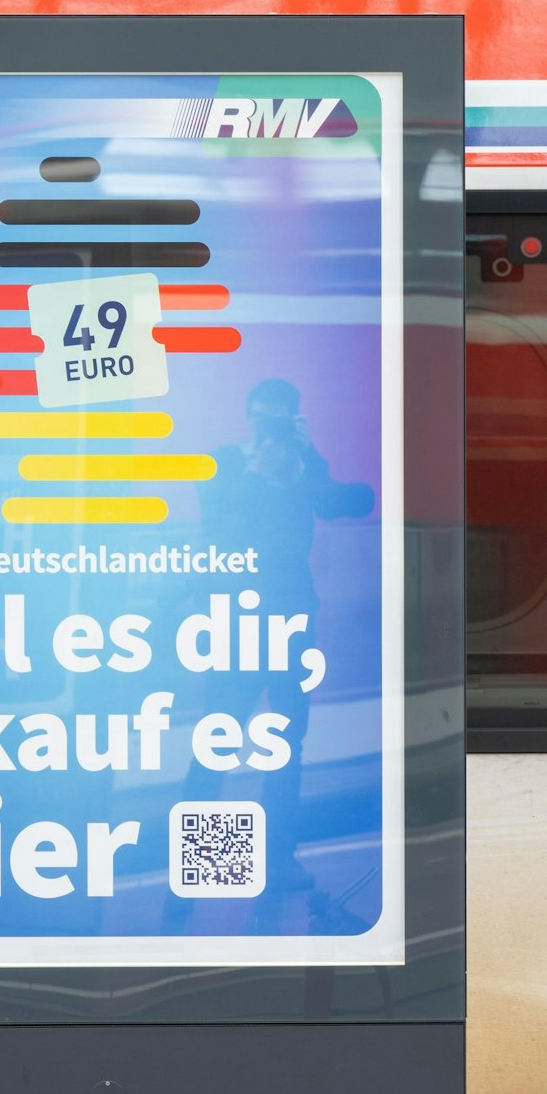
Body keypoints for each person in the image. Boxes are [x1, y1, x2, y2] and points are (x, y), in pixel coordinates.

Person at [196, 377, 374, 892]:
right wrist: (259, 474)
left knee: (285, 742)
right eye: (263, 419)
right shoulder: (227, 465)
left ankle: (276, 860)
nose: (270, 429)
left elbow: (346, 502)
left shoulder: (303, 467)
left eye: (281, 421)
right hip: (235, 623)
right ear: (249, 416)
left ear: (294, 420)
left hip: (293, 623)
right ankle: (208, 867)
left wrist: (307, 459)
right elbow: (221, 528)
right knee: (218, 742)